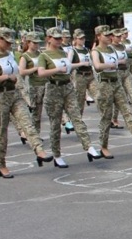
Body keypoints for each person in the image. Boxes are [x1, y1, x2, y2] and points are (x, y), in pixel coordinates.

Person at [0, 27, 53, 178]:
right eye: (7, 42)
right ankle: (1, 164)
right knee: (1, 132)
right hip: (1, 97)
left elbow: (16, 74)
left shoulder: (11, 54)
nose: (9, 45)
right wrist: (5, 78)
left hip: (15, 94)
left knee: (27, 122)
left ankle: (39, 150)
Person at [38, 28, 102, 168]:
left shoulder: (62, 52)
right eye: (56, 38)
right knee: (55, 125)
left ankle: (89, 147)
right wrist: (56, 70)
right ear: (48, 38)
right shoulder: (44, 55)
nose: (59, 40)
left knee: (76, 117)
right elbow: (41, 72)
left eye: (60, 38)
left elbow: (68, 66)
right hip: (53, 88)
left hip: (67, 87)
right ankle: (57, 155)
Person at [91, 25, 132, 159]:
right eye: (106, 35)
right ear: (99, 36)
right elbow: (97, 66)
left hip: (116, 82)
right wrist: (112, 64)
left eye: (109, 35)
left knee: (127, 111)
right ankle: (103, 146)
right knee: (106, 118)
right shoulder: (96, 51)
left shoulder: (112, 48)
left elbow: (125, 59)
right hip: (104, 85)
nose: (109, 37)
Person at [18, 32, 47, 135]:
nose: (36, 45)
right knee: (36, 114)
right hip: (34, 86)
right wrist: (35, 69)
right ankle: (35, 135)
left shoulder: (41, 54)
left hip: (45, 84)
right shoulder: (25, 56)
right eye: (34, 43)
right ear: (29, 43)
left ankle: (65, 122)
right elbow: (22, 72)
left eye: (38, 43)